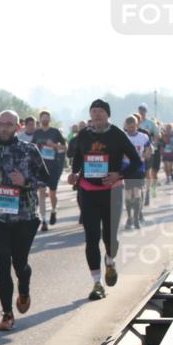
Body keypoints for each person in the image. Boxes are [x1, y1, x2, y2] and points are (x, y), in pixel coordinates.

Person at [0, 111, 49, 330]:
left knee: (20, 264)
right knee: (2, 263)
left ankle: (24, 289)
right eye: (1, 124)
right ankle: (7, 314)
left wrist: (26, 181)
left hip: (24, 217)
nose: (4, 128)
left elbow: (46, 178)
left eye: (9, 124)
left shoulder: (29, 150)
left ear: (17, 127)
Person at [67, 100, 142, 300]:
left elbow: (136, 161)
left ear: (108, 115)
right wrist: (74, 174)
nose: (97, 114)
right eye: (93, 111)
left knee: (110, 238)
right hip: (88, 191)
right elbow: (76, 158)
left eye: (100, 111)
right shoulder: (84, 134)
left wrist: (120, 175)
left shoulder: (117, 134)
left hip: (112, 191)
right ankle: (97, 283)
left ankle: (110, 261)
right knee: (91, 238)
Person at [31, 110, 67, 232]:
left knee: (52, 193)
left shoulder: (55, 132)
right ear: (40, 120)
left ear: (49, 120)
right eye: (43, 118)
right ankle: (43, 221)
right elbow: (32, 148)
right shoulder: (37, 133)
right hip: (41, 167)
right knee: (41, 193)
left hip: (53, 166)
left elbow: (65, 147)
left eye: (47, 117)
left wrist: (54, 146)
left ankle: (53, 210)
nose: (45, 119)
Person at [123, 115, 151, 230]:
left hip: (139, 168)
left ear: (137, 126)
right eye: (129, 127)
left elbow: (149, 149)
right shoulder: (123, 137)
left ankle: (136, 218)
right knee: (129, 194)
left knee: (137, 192)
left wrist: (145, 156)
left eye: (133, 127)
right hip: (126, 167)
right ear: (126, 127)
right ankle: (129, 218)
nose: (131, 129)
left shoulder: (143, 137)